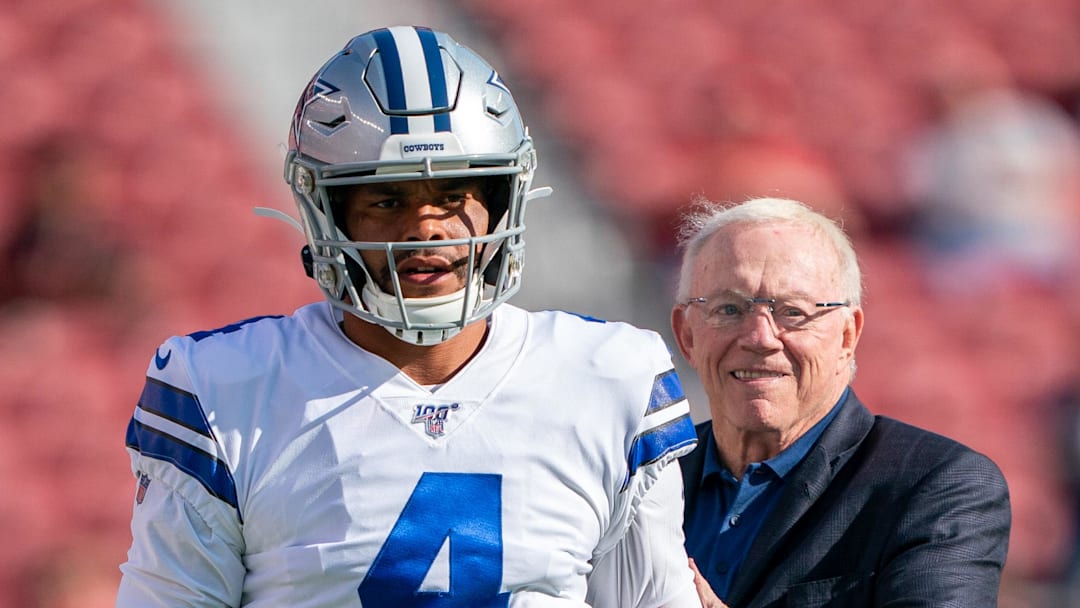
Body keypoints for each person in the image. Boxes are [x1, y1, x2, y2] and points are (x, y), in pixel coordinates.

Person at [116, 26, 701, 607]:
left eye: (453, 196)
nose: (426, 226)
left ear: (501, 200)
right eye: (387, 199)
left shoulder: (609, 378)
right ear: (330, 215)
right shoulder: (221, 389)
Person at [669, 196, 1011, 607]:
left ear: (848, 337)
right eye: (729, 308)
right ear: (687, 336)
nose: (760, 337)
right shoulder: (638, 479)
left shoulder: (936, 485)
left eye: (792, 311)